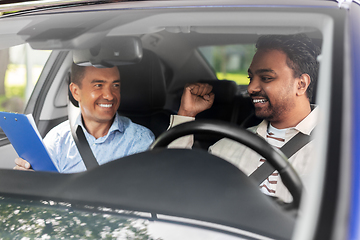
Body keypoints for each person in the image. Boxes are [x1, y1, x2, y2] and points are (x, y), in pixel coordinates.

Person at [169, 34, 320, 203]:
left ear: (301, 84)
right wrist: (186, 115)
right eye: (250, 78)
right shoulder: (226, 148)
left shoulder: (342, 150)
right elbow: (173, 189)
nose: (251, 88)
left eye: (266, 78)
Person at [14, 63, 155, 173]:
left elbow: (135, 197)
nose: (110, 95)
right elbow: (45, 191)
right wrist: (28, 177)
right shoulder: (57, 139)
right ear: (75, 92)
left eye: (115, 85)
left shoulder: (139, 140)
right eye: (99, 85)